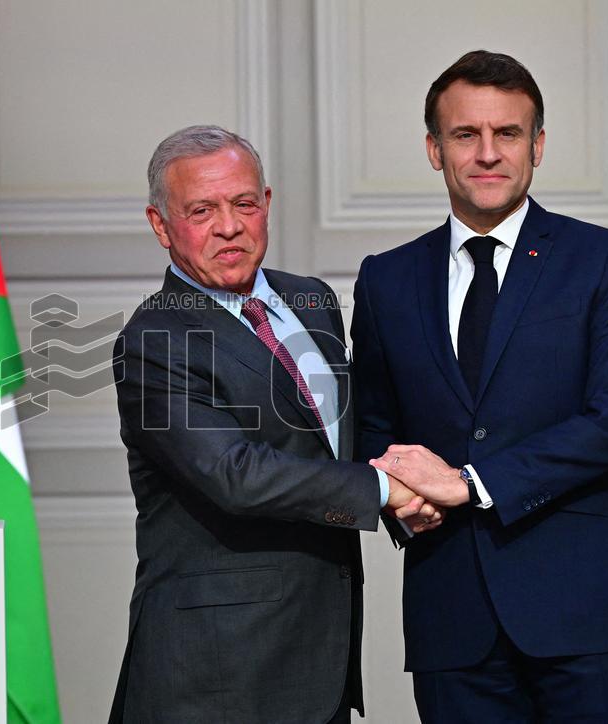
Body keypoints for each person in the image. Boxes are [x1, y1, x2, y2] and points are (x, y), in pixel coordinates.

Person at [352, 50, 608, 722]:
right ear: (435, 150)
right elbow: (373, 428)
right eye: (466, 135)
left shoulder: (606, 260)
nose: (488, 153)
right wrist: (399, 493)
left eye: (509, 134)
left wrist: (468, 483)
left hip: (590, 620)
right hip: (452, 620)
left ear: (538, 145)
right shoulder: (386, 280)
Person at [109, 125, 439, 723]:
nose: (229, 226)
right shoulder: (154, 339)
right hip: (214, 671)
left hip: (319, 658)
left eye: (242, 203)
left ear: (267, 204)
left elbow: (337, 434)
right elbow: (235, 474)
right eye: (201, 210)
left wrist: (415, 483)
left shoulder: (310, 300)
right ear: (161, 226)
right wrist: (387, 491)